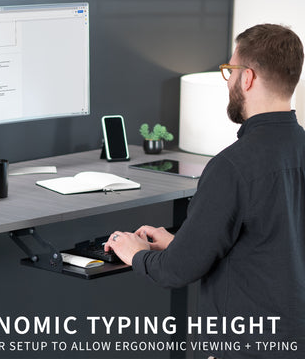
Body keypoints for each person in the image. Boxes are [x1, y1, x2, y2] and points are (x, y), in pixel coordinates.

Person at [105, 24, 305, 358]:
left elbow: (176, 270)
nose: (228, 81)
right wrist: (182, 242)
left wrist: (135, 252)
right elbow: (272, 244)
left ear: (248, 78)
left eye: (229, 70)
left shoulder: (232, 167)